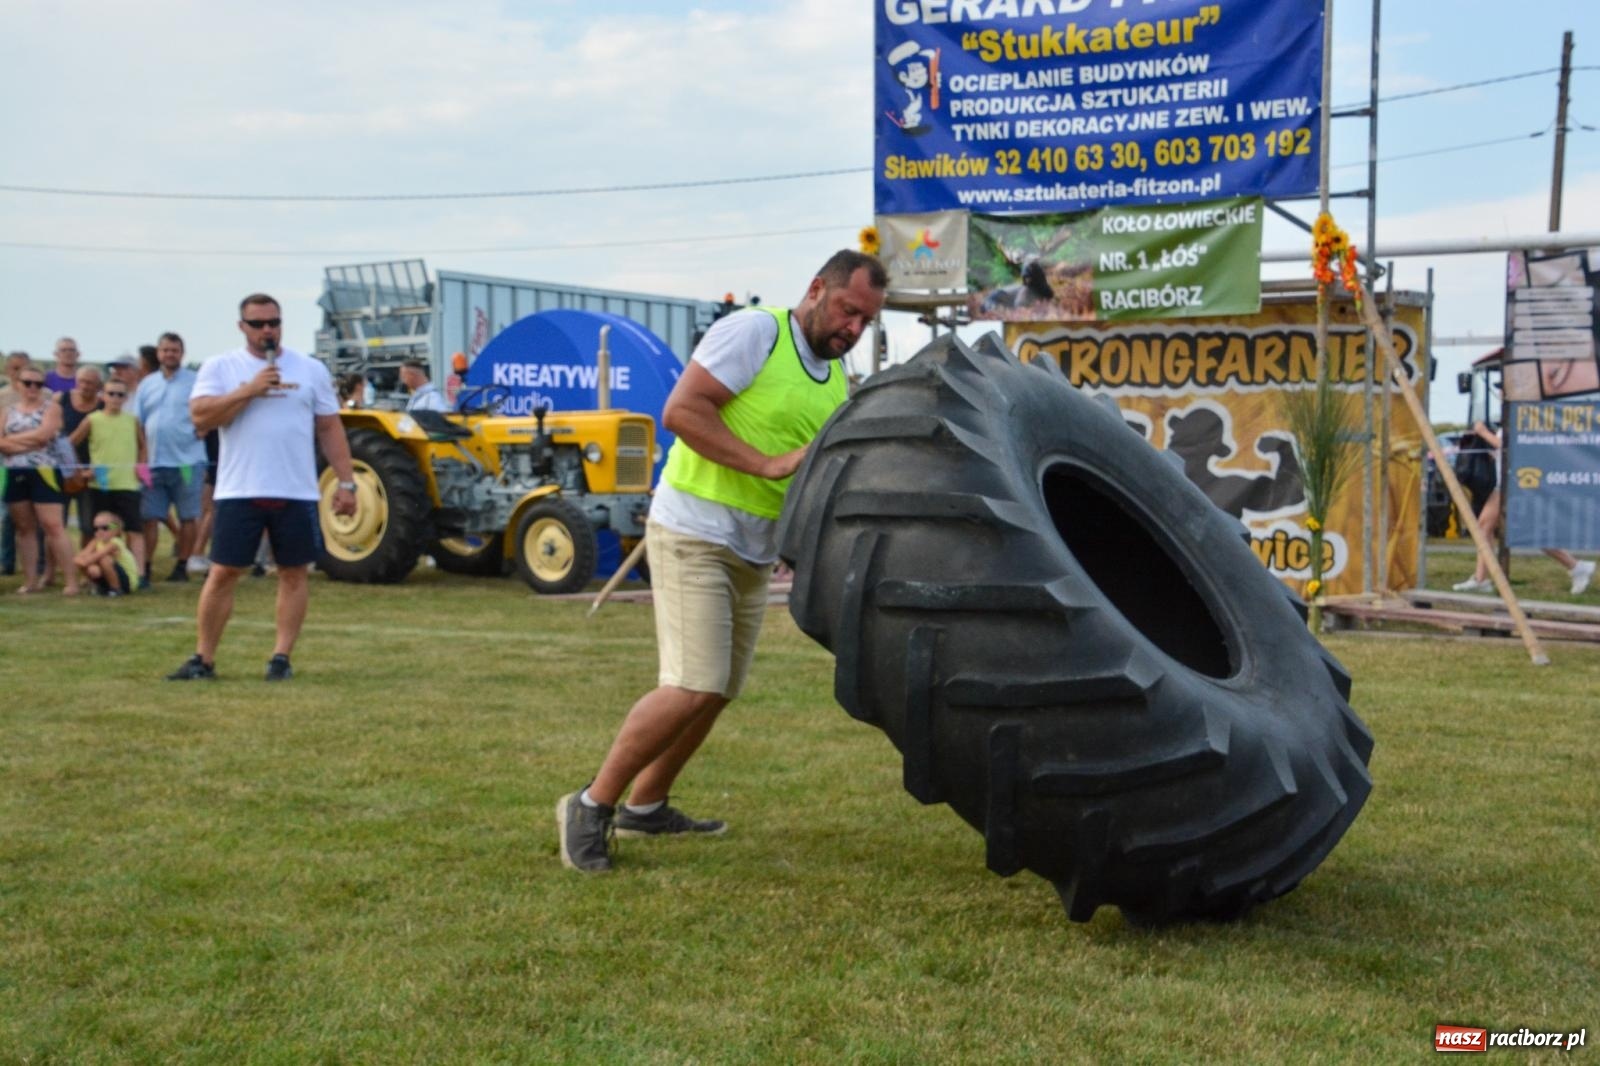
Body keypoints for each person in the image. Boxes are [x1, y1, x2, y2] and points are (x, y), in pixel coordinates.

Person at [556, 250, 887, 873]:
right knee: (693, 683)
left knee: (718, 691)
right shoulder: (757, 331)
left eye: (866, 322)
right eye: (848, 311)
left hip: (753, 549)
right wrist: (766, 464)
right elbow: (681, 411)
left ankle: (646, 807)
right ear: (817, 288)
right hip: (695, 530)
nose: (853, 329)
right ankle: (591, 804)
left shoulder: (835, 377)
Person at [165, 293, 357, 682]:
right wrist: (248, 390)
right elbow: (200, 415)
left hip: (296, 488)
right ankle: (204, 658)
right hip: (239, 488)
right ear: (242, 327)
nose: (267, 330)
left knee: (293, 572)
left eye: (274, 322)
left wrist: (347, 482)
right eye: (258, 324)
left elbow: (329, 427)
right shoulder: (220, 367)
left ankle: (281, 658)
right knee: (223, 572)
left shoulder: (310, 369)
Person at [1452, 418, 1595, 595]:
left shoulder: (1520, 419)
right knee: (1483, 527)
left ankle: (1576, 566)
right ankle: (1481, 579)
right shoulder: (1509, 419)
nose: (1501, 393)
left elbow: (1510, 449)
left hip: (1515, 484)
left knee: (1532, 532)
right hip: (1504, 485)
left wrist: (1483, 433)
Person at [132, 331, 209, 583]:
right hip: (154, 462)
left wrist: (204, 427)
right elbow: (138, 423)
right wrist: (140, 456)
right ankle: (145, 567)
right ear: (158, 353)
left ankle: (181, 565)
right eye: (165, 350)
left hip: (188, 461)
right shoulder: (147, 384)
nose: (169, 355)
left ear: (182, 353)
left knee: (188, 516)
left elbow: (208, 411)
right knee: (150, 517)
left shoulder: (196, 381)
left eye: (174, 350)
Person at [1, 364, 81, 595]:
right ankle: (30, 580)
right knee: (24, 528)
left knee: (53, 526)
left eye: (38, 383)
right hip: (15, 471)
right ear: (18, 385)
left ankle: (70, 581)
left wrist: (13, 441)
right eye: (28, 383)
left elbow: (45, 435)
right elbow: (3, 442)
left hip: (45, 471)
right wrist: (30, 441)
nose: (33, 388)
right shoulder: (8, 411)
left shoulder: (51, 408)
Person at [70, 375, 148, 577]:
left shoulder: (132, 421)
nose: (115, 398)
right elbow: (70, 444)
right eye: (111, 393)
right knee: (95, 531)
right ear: (102, 396)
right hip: (100, 485)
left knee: (133, 529)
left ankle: (139, 574)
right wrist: (81, 471)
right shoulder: (92, 419)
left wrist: (141, 469)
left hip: (127, 484)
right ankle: (92, 572)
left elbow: (143, 446)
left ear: (125, 398)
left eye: (120, 394)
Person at [58, 365, 104, 543]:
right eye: (82, 381)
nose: (85, 386)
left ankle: (85, 561)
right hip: (63, 470)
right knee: (57, 523)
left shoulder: (103, 405)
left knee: (87, 524)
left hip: (91, 473)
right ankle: (50, 567)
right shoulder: (61, 399)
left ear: (98, 385)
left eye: (90, 383)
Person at [0, 351, 32, 574]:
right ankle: (6, 562)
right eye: (15, 368)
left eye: (23, 368)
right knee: (5, 514)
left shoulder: (44, 394)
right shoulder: (2, 397)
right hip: (5, 461)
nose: (19, 373)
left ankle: (37, 564)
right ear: (7, 370)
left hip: (36, 462)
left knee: (34, 516)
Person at [75, 511, 139, 597]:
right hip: (109, 576)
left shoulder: (115, 543)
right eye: (95, 529)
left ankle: (116, 589)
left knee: (104, 559)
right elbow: (79, 558)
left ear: (116, 529)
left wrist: (84, 561)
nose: (99, 531)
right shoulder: (96, 542)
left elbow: (95, 557)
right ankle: (100, 587)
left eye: (105, 528)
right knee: (92, 567)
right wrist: (86, 563)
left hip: (127, 582)